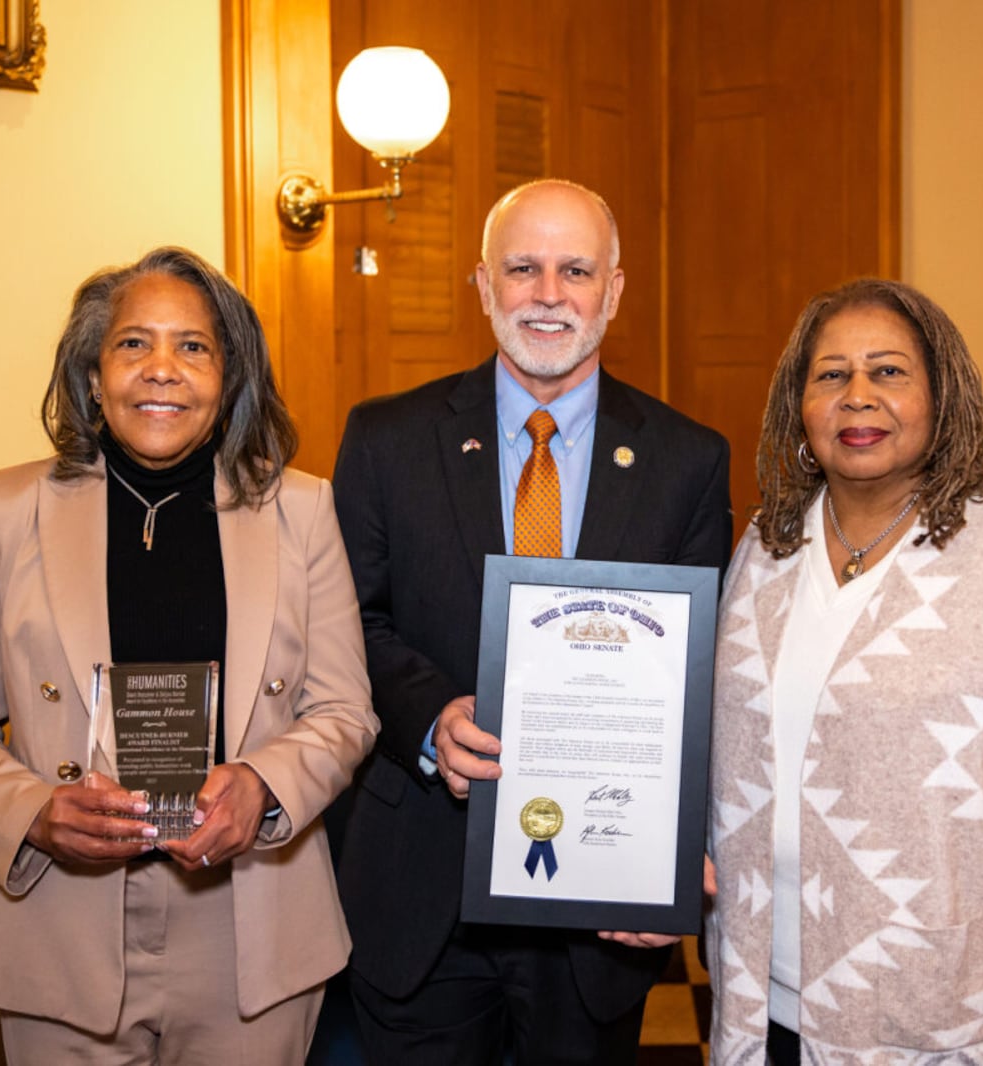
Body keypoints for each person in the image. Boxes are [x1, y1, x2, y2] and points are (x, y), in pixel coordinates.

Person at [0, 246, 378, 1064]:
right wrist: (35, 813)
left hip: (250, 920)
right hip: (59, 916)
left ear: (229, 379)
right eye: (134, 344)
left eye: (193, 347)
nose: (162, 369)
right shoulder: (6, 509)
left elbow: (344, 712)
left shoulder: (303, 509)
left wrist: (263, 785)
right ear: (93, 377)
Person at [331, 179, 733, 1065]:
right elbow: (347, 625)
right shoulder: (384, 439)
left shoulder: (689, 461)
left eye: (575, 269)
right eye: (523, 268)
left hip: (599, 900)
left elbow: (697, 683)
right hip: (421, 887)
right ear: (483, 285)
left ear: (614, 290)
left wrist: (667, 866)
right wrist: (431, 717)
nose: (548, 293)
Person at [706, 279, 983, 1065]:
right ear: (796, 403)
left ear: (942, 393)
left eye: (888, 372)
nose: (857, 397)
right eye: (831, 375)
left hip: (941, 1008)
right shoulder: (766, 550)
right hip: (761, 995)